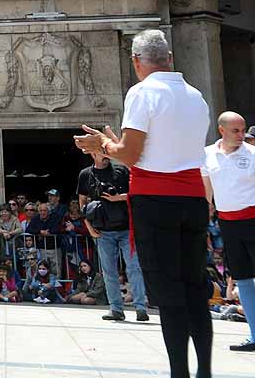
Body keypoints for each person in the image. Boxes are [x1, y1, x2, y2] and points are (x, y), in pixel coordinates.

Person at [75, 30, 212, 378]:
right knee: (194, 285)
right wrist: (113, 143)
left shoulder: (142, 92)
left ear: (136, 61)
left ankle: (179, 371)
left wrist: (102, 143)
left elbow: (131, 155)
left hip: (157, 198)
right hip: (193, 197)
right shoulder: (197, 96)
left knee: (168, 291)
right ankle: (205, 370)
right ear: (169, 57)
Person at [201, 111, 255, 351]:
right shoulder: (207, 154)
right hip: (228, 223)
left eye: (243, 130)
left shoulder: (252, 154)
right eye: (236, 130)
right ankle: (254, 335)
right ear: (221, 130)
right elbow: (207, 192)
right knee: (242, 278)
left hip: (252, 219)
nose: (242, 135)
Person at [78, 149, 149, 322]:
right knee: (109, 271)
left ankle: (141, 307)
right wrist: (89, 227)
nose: (105, 154)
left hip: (126, 229)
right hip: (103, 231)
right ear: (93, 154)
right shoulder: (85, 174)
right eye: (100, 151)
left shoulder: (121, 171)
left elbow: (136, 193)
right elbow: (82, 203)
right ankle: (116, 309)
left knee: (134, 268)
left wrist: (118, 198)